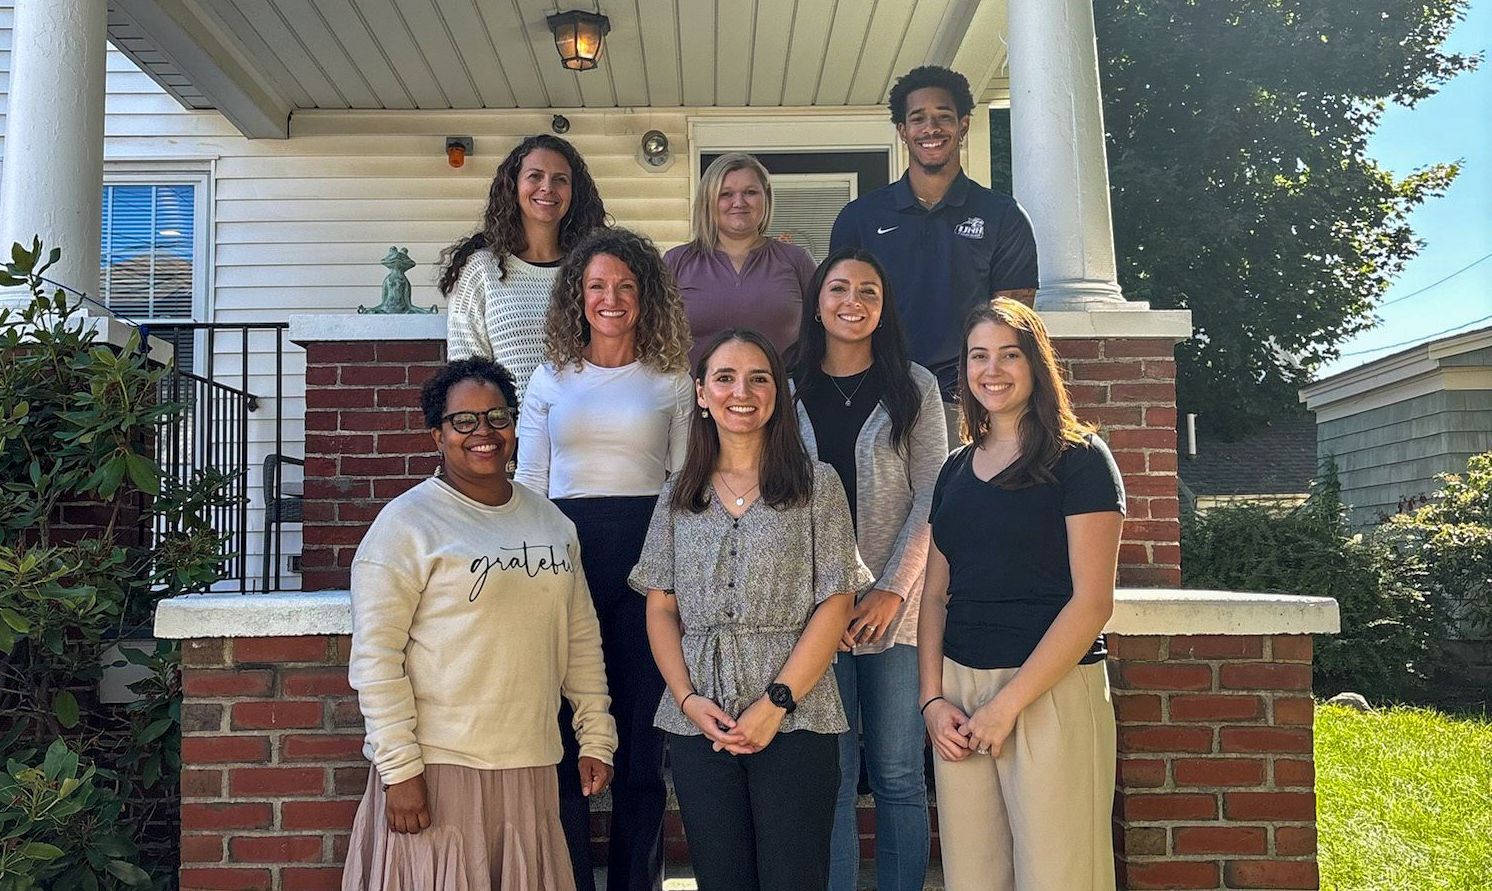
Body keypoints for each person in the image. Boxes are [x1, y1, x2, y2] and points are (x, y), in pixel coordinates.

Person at [342, 357, 618, 891]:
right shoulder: (405, 525)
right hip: (440, 770)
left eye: (497, 416)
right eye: (463, 421)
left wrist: (595, 736)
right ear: (437, 436)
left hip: (533, 766)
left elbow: (580, 642)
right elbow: (376, 659)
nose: (483, 432)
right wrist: (399, 770)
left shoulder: (552, 522)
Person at [630, 329, 873, 891]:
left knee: (794, 879)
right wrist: (689, 701)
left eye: (758, 377)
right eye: (725, 377)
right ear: (700, 393)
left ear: (778, 393)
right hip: (701, 722)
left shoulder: (818, 485)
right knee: (721, 880)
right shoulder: (677, 494)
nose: (742, 391)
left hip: (798, 717)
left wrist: (775, 704)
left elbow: (835, 604)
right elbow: (661, 608)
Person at [917, 300, 1125, 891]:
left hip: (1049, 693)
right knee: (973, 877)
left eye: (1010, 354)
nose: (993, 369)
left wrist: (1006, 707)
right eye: (979, 356)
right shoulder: (955, 469)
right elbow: (935, 595)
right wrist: (932, 702)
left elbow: (1092, 603)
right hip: (959, 700)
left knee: (1060, 876)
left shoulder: (1081, 459)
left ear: (1037, 364)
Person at [515, 228, 694, 891]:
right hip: (563, 565)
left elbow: (682, 486)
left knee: (643, 749)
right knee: (564, 738)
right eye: (597, 286)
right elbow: (529, 485)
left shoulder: (672, 379)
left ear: (645, 296)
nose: (611, 298)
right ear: (578, 296)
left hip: (647, 569)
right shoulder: (549, 376)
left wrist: (670, 577)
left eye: (625, 285)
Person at [788, 248, 947, 891]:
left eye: (869, 292)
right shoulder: (786, 382)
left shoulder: (915, 387)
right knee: (834, 774)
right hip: (809, 609)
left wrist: (890, 590)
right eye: (838, 289)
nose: (852, 301)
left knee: (900, 773)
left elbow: (935, 494)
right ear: (817, 302)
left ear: (883, 308)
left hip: (896, 611)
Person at [829, 65, 1039, 438]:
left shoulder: (1002, 216)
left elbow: (1013, 325)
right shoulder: (860, 217)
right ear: (902, 131)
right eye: (918, 118)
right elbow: (840, 315)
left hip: (967, 401)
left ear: (964, 125)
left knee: (962, 498)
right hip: (877, 396)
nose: (931, 128)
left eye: (943, 117)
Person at [443, 134, 608, 398]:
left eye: (560, 179)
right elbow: (467, 375)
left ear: (574, 192)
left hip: (587, 431)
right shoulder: (481, 270)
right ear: (513, 186)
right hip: (512, 434)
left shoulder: (593, 269)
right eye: (535, 176)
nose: (547, 187)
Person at [665, 153, 817, 366]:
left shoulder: (796, 260)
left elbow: (823, 332)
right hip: (697, 396)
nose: (739, 202)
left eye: (750, 192)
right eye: (726, 194)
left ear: (766, 197)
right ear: (708, 201)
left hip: (782, 394)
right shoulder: (677, 262)